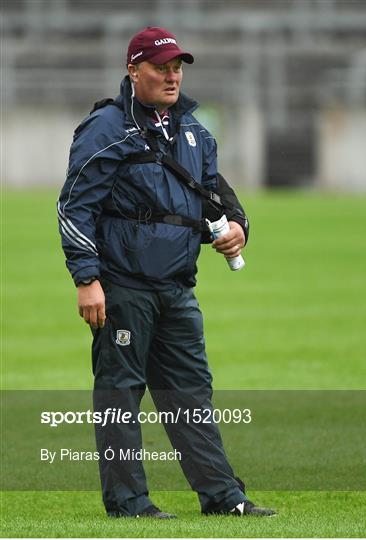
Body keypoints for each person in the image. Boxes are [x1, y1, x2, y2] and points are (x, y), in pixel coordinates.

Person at [57, 26, 276, 519]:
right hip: (124, 286)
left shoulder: (195, 132)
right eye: (161, 67)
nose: (172, 76)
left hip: (178, 288)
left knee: (191, 395)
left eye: (177, 67)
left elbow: (214, 194)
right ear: (133, 71)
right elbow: (74, 206)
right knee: (121, 395)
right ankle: (129, 503)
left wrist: (239, 226)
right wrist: (86, 279)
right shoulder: (106, 128)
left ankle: (223, 497)